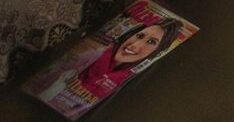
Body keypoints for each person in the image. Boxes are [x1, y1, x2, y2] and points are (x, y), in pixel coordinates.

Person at [26, 18, 180, 115]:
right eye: (140, 36)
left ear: (156, 52)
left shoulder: (131, 80)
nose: (135, 45)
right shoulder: (95, 55)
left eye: (152, 42)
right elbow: (39, 83)